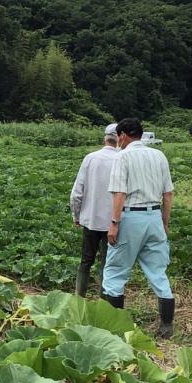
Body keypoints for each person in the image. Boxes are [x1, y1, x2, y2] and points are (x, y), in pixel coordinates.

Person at [102, 117, 176, 338]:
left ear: (123, 136)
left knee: (115, 271)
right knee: (157, 272)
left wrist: (114, 224)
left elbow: (119, 193)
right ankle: (166, 326)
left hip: (131, 217)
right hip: (153, 216)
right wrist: (164, 222)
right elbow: (168, 193)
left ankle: (114, 327)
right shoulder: (159, 155)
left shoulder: (122, 156)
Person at [69, 123, 120, 297]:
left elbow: (77, 192)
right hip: (113, 222)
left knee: (85, 261)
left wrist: (77, 216)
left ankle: (79, 297)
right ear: (119, 138)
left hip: (90, 220)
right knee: (107, 264)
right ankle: (103, 300)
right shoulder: (122, 158)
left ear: (104, 138)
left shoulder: (91, 158)